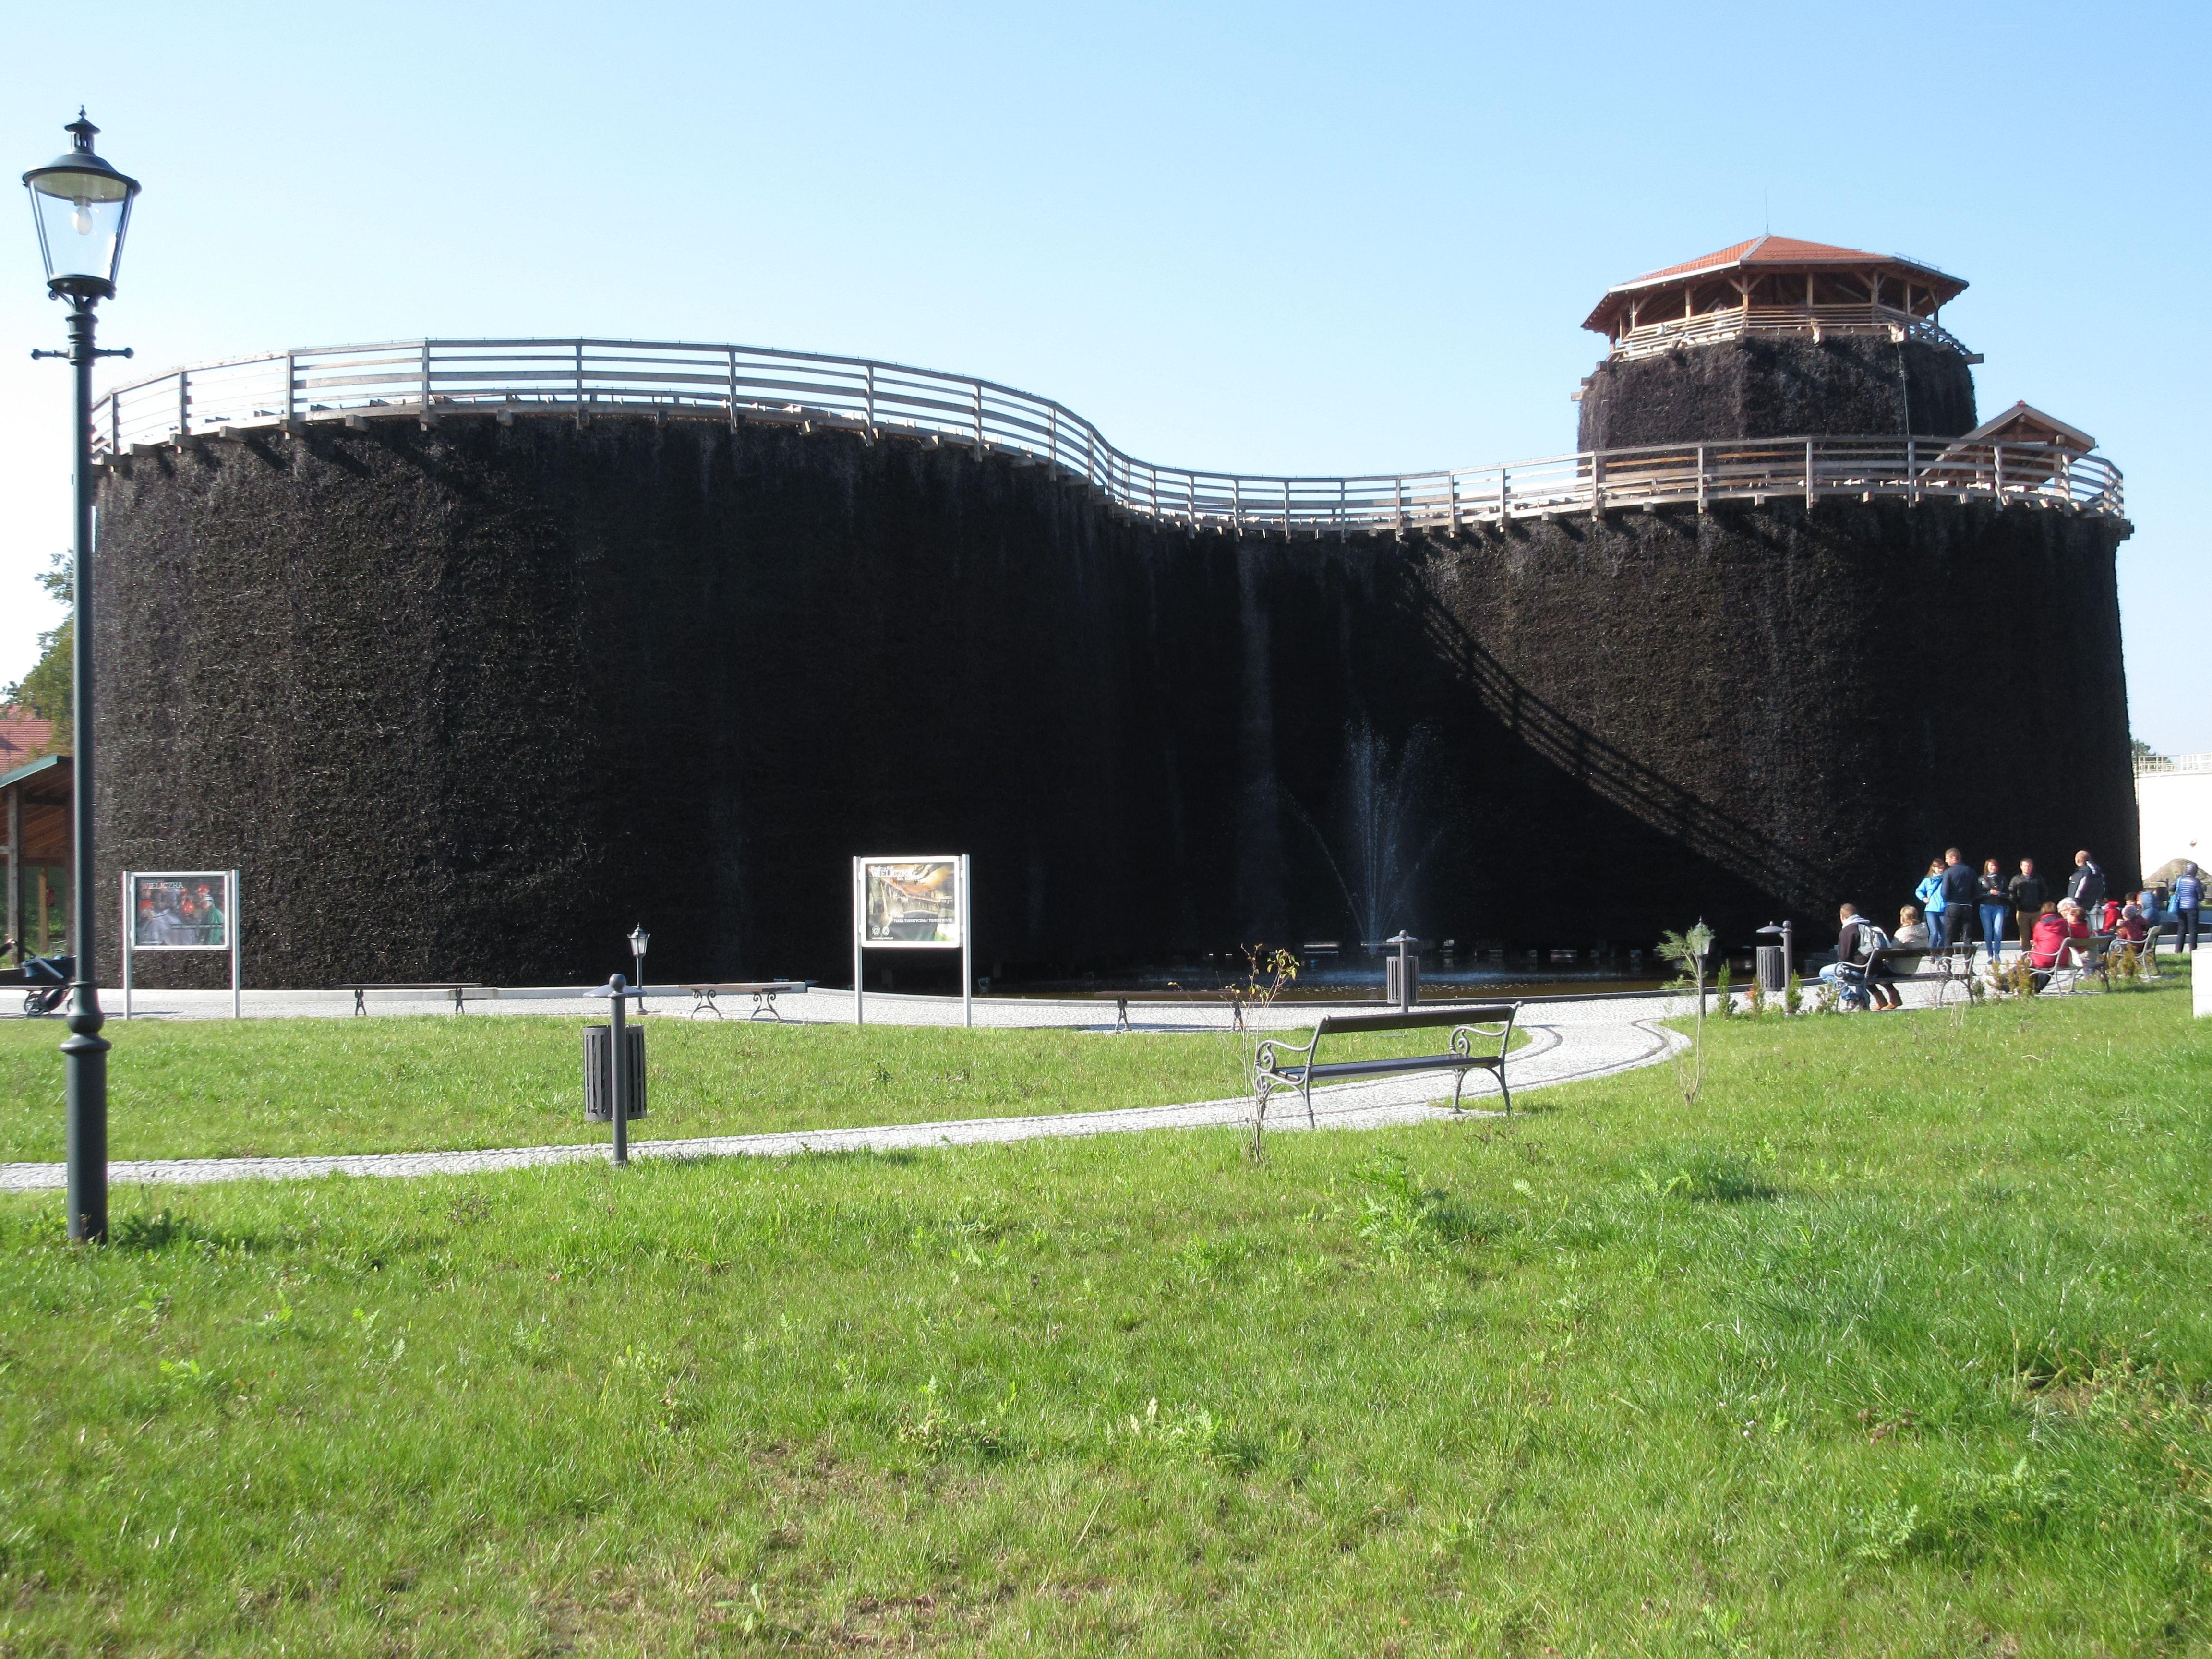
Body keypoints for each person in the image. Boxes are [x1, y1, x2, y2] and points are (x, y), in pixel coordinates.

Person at [1824, 902, 1902, 1011]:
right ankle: (1867, 1003)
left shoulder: (1848, 930)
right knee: (1859, 966)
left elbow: (1843, 958)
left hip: (1862, 971)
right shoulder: (1870, 927)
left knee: (1825, 972)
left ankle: (1853, 998)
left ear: (1842, 917)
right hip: (1877, 969)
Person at [1937, 847, 1978, 952]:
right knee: (1967, 937)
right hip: (1967, 906)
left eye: (1947, 858)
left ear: (1954, 858)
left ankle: (1947, 964)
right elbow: (1977, 891)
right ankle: (1968, 966)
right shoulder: (1971, 871)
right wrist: (1969, 900)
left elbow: (1945, 892)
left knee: (1949, 937)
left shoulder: (1948, 872)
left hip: (1953, 905)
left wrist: (1947, 900)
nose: (1946, 861)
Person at [2009, 859, 2047, 958]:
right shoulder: (2016, 879)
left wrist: (2040, 903)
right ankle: (2026, 955)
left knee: (2038, 933)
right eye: (2025, 866)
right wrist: (2017, 902)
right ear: (2021, 867)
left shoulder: (2037, 878)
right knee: (2024, 935)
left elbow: (2044, 891)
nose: (2027, 868)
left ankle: (2038, 953)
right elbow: (2011, 892)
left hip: (2036, 911)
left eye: (2029, 866)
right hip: (2022, 911)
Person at [1975, 858, 2010, 966]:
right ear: (1987, 867)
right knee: (1988, 931)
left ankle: (1997, 954)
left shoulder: (2002, 879)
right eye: (1991, 866)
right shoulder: (1981, 879)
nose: (1993, 868)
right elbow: (1977, 894)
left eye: (1995, 866)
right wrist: (1989, 893)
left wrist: (1999, 894)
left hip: (1998, 907)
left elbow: (2008, 894)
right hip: (1985, 907)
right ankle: (1990, 955)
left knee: (1998, 931)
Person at [2176, 862, 2204, 955]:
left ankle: (2178, 950)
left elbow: (2171, 888)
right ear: (2195, 871)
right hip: (2192, 907)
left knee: (2181, 929)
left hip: (2181, 907)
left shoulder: (2180, 879)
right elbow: (2201, 896)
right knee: (2193, 930)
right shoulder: (2196, 881)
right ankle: (2193, 950)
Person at [2068, 850, 2107, 917]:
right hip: (2096, 909)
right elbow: (2102, 890)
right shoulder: (2099, 874)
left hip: (2080, 911)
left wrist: (2072, 906)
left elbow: (2076, 893)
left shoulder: (2081, 874)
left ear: (2077, 860)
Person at [1914, 860, 1946, 942]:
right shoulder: (1927, 880)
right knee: (1934, 933)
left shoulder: (1946, 879)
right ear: (1933, 868)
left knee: (1943, 935)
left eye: (1942, 868)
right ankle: (1932, 953)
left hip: (1943, 910)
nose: (1941, 870)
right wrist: (1924, 898)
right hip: (1931, 910)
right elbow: (1919, 891)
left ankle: (1939, 953)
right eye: (1939, 868)